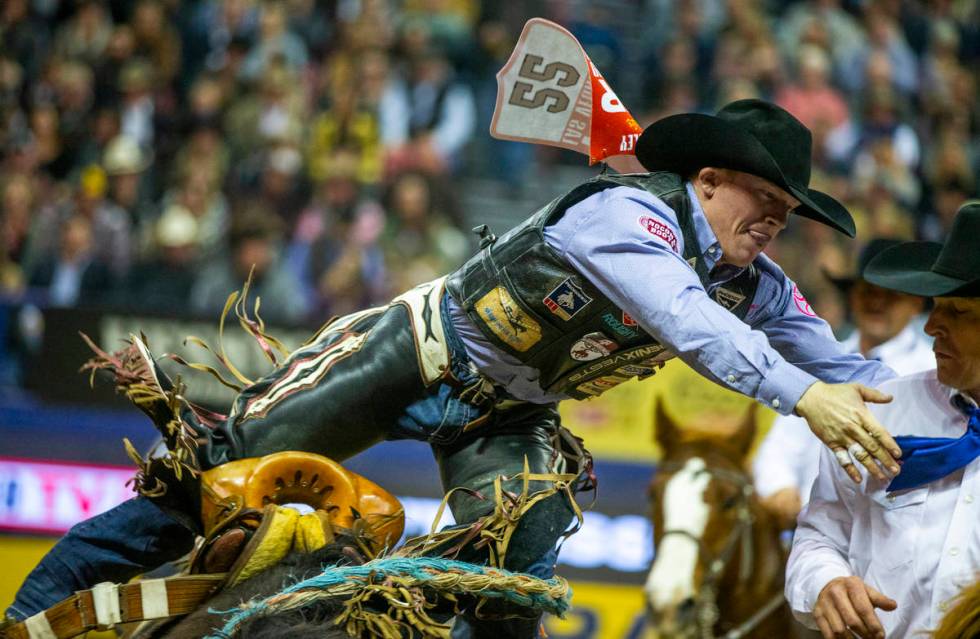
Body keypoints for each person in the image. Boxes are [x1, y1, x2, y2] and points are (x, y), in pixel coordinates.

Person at [6, 100, 902, 637]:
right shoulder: (628, 216)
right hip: (417, 352)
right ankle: (32, 615)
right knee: (210, 481)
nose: (777, 223)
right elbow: (686, 320)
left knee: (515, 581)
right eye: (768, 202)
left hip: (510, 419)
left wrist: (911, 401)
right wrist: (807, 396)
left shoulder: (759, 283)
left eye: (788, 212)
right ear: (708, 178)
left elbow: (847, 360)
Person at [786, 202, 980, 639]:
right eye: (937, 306)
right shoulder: (877, 412)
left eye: (959, 312)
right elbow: (820, 536)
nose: (932, 326)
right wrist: (825, 581)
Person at [753, 238, 935, 529]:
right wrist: (780, 487)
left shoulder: (931, 372)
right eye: (867, 291)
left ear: (915, 303)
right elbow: (781, 444)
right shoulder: (817, 359)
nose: (876, 302)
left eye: (890, 295)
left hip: (889, 531)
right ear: (852, 298)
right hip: (805, 529)